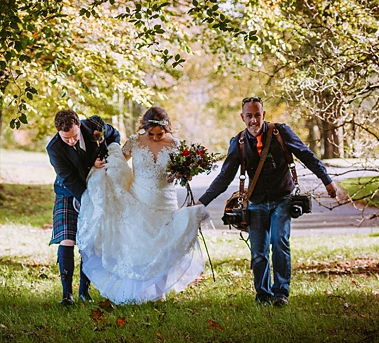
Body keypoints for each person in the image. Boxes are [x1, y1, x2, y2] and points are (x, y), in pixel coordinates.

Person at [198, 97, 340, 306]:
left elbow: (306, 155)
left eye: (257, 115)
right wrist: (202, 202)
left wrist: (327, 180)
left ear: (263, 115)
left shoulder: (280, 132)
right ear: (242, 117)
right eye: (249, 116)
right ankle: (263, 296)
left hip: (282, 199)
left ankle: (281, 293)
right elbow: (224, 177)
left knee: (279, 242)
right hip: (255, 203)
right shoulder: (238, 142)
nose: (254, 120)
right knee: (258, 252)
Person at [76, 107, 212, 304]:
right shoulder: (134, 142)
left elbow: (182, 173)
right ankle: (140, 292)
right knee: (139, 246)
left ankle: (159, 293)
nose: (156, 138)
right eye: (151, 134)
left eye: (160, 134)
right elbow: (117, 162)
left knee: (164, 246)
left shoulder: (175, 145)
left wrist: (185, 173)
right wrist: (101, 165)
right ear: (143, 128)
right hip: (139, 199)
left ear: (168, 130)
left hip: (166, 201)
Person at [46, 109, 120, 305]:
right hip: (69, 191)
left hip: (97, 187)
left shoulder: (95, 125)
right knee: (67, 239)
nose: (70, 141)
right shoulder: (54, 148)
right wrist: (88, 201)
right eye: (65, 138)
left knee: (89, 241)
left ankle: (84, 292)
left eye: (73, 137)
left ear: (79, 125)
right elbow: (69, 178)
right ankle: (66, 294)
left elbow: (114, 136)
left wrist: (107, 156)